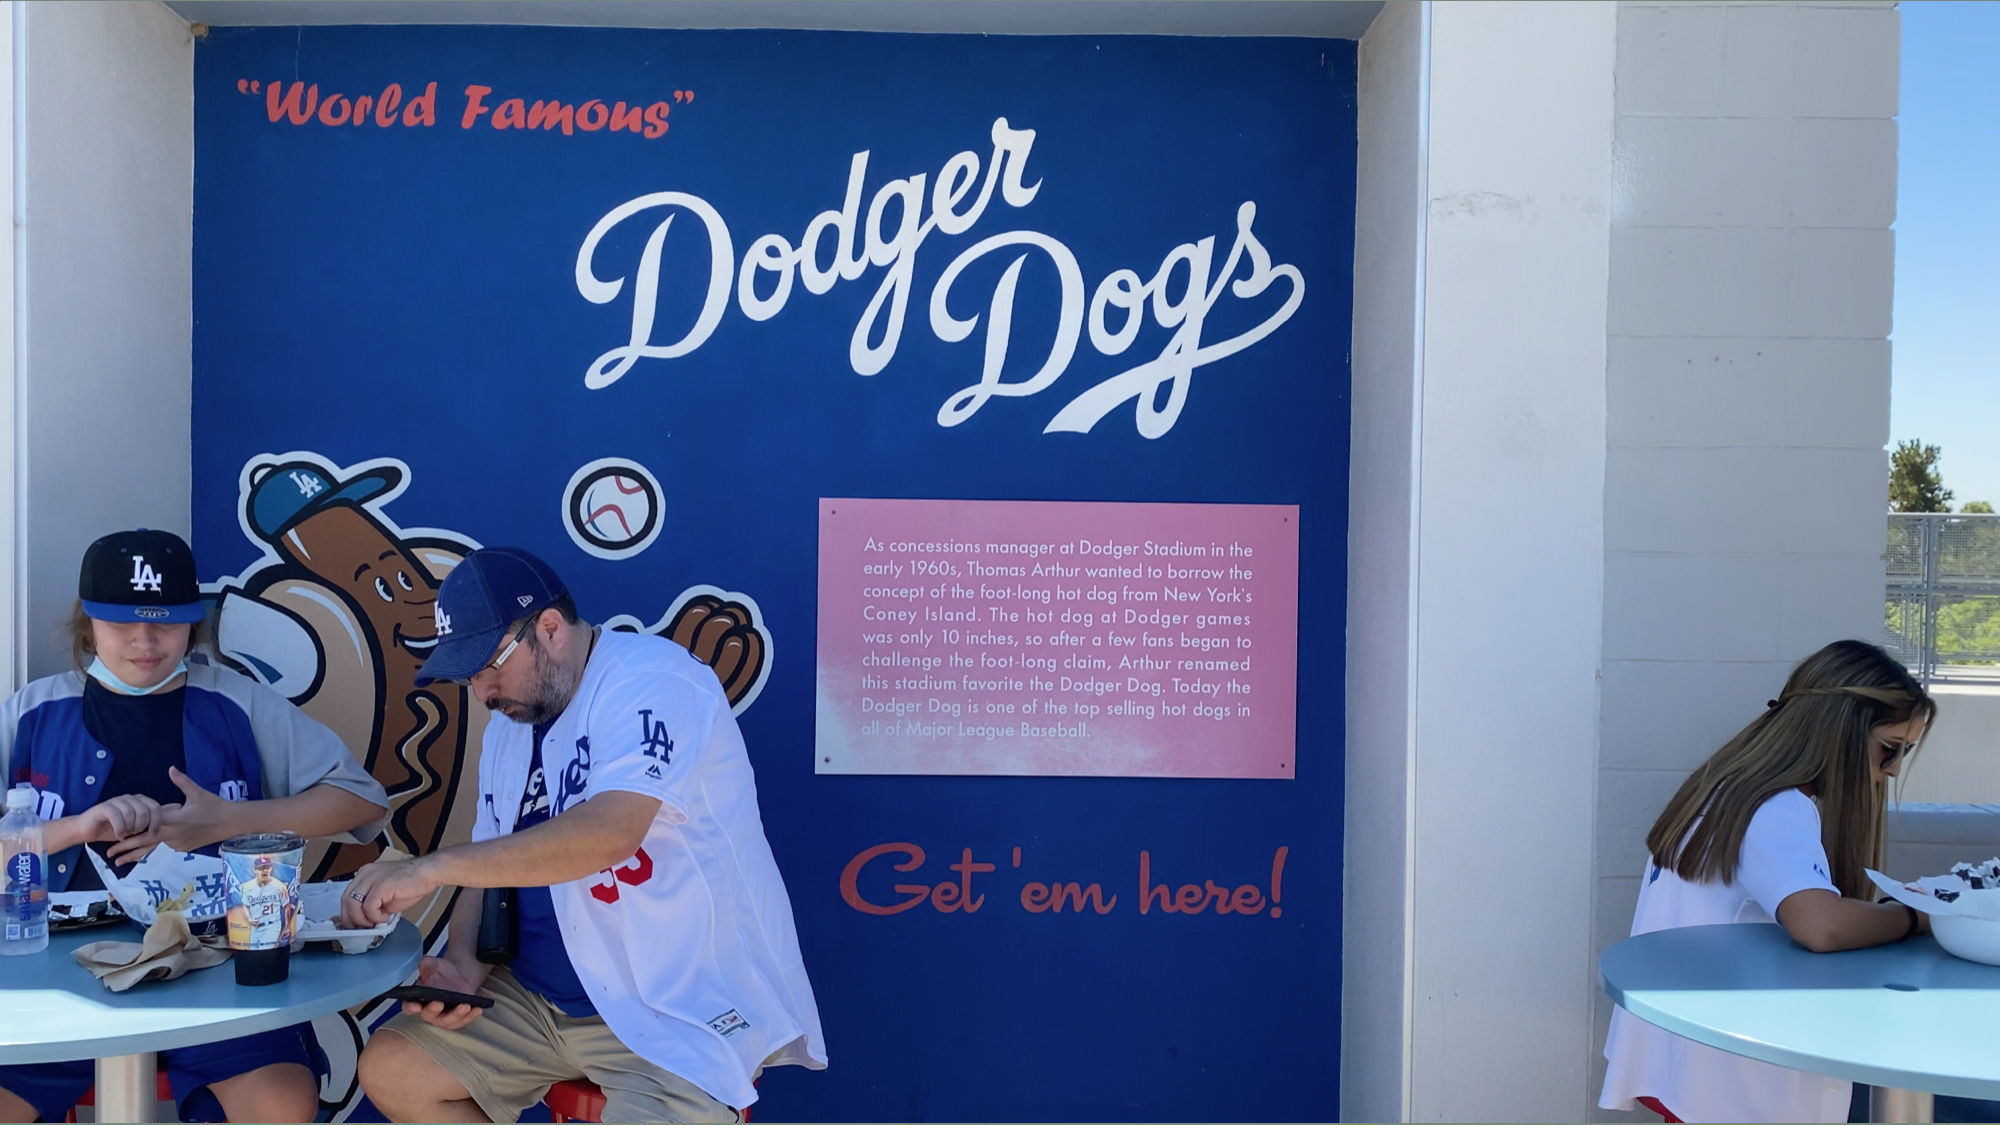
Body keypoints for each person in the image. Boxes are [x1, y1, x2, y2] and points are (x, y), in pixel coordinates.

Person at [343, 547, 824, 1124]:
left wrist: (429, 868)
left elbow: (610, 832)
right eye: (470, 675)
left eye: (488, 665)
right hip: (536, 1001)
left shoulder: (651, 679)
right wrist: (465, 966)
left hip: (670, 1007)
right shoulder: (510, 726)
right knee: (394, 1067)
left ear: (548, 629)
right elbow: (486, 860)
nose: (482, 691)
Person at [0, 528, 391, 1123]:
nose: (145, 640)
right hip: (53, 974)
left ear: (195, 624)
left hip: (219, 965)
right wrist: (74, 828)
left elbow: (360, 802)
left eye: (166, 622)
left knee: (281, 1103)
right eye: (121, 623)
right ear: (87, 625)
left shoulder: (237, 701)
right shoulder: (33, 708)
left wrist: (229, 822)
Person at [1599, 639, 1937, 1124]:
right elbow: (1821, 925)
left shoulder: (1727, 786)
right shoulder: (1778, 806)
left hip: (1684, 1057)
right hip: (1735, 1076)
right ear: (1840, 728)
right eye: (1890, 750)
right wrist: (1917, 917)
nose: (1892, 771)